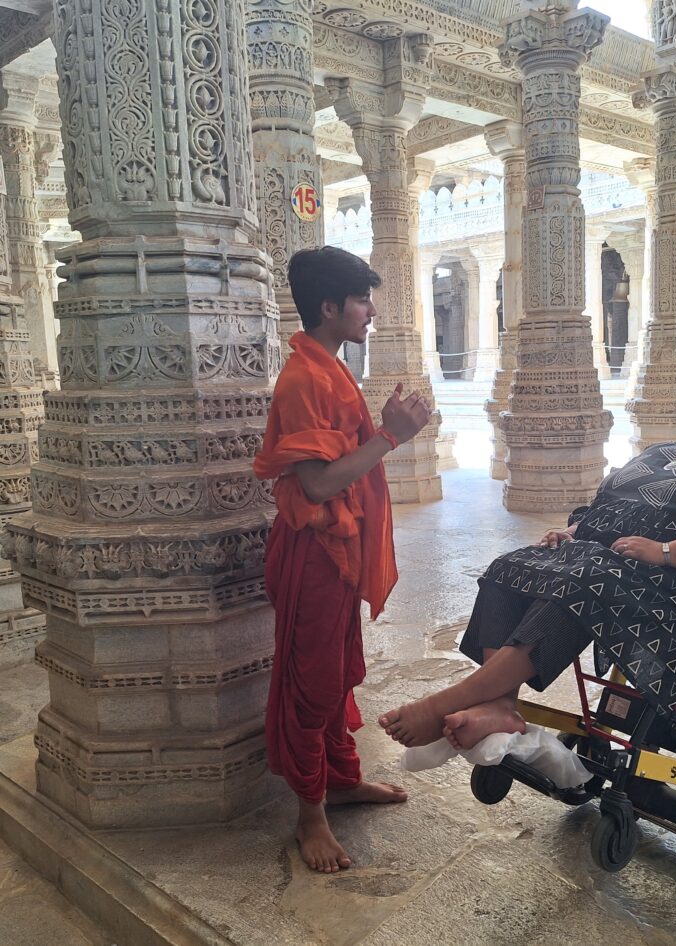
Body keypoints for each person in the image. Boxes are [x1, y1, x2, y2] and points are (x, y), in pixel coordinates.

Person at [378, 368, 676, 751]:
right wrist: (573, 531)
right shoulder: (657, 454)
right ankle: (500, 703)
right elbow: (604, 506)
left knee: (584, 582)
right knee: (510, 568)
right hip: (613, 570)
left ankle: (447, 702)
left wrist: (664, 552)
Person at [253, 246, 432, 873]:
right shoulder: (303, 377)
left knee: (335, 672)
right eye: (362, 300)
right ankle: (310, 815)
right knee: (312, 683)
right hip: (312, 554)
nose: (372, 311)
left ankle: (342, 779)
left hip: (339, 550)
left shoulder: (330, 368)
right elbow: (318, 485)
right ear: (329, 306)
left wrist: (385, 431)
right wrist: (392, 436)